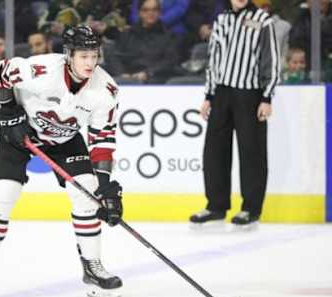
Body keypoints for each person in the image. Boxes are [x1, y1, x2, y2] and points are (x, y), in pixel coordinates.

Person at [0, 25, 124, 297]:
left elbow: (102, 138)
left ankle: (92, 267)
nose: (90, 63)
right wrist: (9, 110)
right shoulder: (41, 70)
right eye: (83, 56)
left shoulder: (106, 90)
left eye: (94, 56)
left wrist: (105, 186)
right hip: (17, 134)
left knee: (87, 193)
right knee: (3, 195)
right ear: (69, 55)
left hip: (64, 140)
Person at [189, 0, 280, 228]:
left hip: (250, 93)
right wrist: (209, 95)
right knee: (214, 151)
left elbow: (272, 60)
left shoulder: (263, 20)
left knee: (252, 151)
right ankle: (216, 206)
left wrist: (267, 97)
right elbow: (213, 59)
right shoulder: (222, 19)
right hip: (221, 93)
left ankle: (251, 209)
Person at [114, 0, 179, 84]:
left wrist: (148, 73)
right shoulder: (127, 34)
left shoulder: (169, 36)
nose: (150, 13)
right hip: (127, 78)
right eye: (146, 10)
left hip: (155, 79)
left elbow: (169, 61)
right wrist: (122, 73)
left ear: (159, 13)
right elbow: (116, 56)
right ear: (139, 12)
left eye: (154, 10)